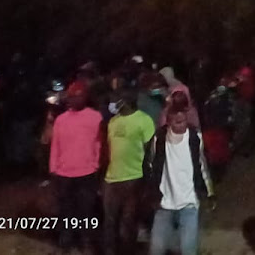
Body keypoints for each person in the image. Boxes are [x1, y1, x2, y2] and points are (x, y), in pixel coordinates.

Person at [146, 93, 215, 255]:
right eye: (176, 121)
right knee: (156, 249)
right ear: (168, 119)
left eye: (183, 119)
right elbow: (149, 166)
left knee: (188, 250)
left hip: (189, 203)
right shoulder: (159, 138)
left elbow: (202, 165)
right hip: (164, 204)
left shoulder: (194, 137)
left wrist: (210, 193)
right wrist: (151, 193)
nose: (180, 123)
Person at [50, 80, 102, 253]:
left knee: (85, 210)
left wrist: (95, 164)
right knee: (66, 209)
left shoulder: (95, 117)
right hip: (64, 173)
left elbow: (99, 144)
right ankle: (66, 240)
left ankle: (85, 240)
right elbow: (55, 145)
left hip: (87, 172)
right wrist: (54, 168)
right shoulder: (61, 120)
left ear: (85, 97)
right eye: (73, 97)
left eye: (79, 96)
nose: (76, 100)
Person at [104, 87, 156, 255]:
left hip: (134, 178)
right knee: (110, 221)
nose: (112, 103)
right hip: (111, 179)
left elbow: (151, 151)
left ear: (125, 101)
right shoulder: (113, 122)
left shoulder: (144, 120)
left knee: (128, 221)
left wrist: (148, 179)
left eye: (116, 99)